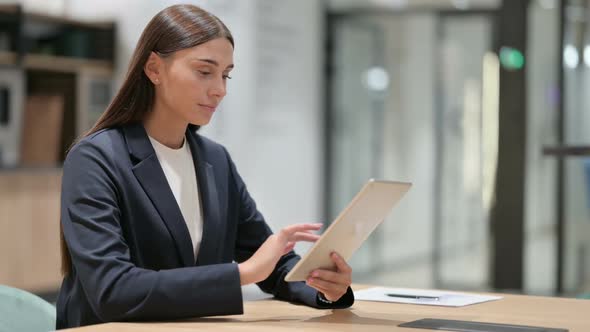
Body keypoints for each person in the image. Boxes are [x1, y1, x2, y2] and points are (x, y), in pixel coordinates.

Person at [56, 4, 354, 329]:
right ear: (154, 68)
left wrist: (325, 287)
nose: (220, 89)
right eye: (204, 71)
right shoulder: (95, 159)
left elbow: (274, 265)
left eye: (225, 74)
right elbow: (113, 290)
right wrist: (243, 273)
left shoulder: (215, 160)